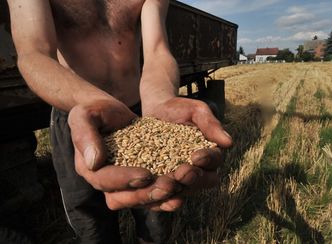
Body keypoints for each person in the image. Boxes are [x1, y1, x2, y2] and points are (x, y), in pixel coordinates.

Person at [7, 0, 233, 243]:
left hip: (141, 115)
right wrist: (97, 105)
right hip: (76, 115)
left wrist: (160, 101)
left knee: (156, 218)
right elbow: (34, 54)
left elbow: (157, 51)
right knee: (91, 224)